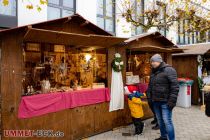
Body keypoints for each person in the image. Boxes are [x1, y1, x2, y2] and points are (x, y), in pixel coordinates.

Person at [147, 54, 179, 140]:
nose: (152, 63)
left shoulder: (169, 70)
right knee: (160, 121)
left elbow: (175, 87)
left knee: (167, 121)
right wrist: (149, 97)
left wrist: (172, 101)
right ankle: (163, 137)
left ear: (159, 61)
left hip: (166, 102)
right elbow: (150, 85)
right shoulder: (153, 71)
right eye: (151, 62)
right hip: (155, 101)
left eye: (154, 61)